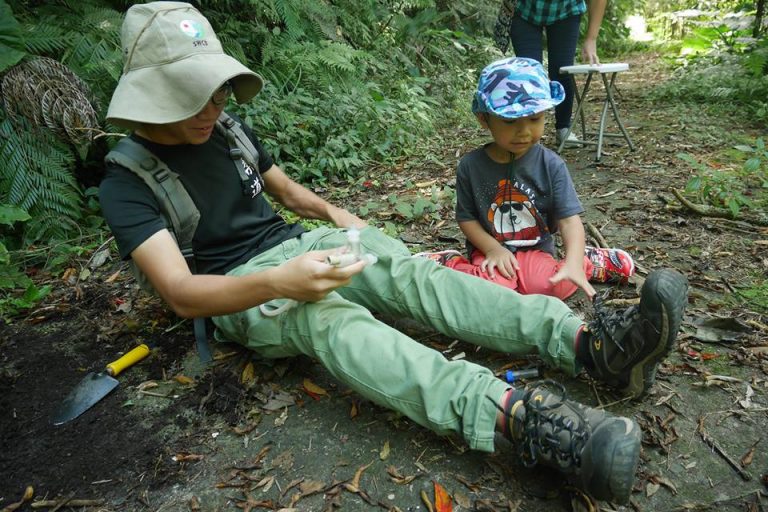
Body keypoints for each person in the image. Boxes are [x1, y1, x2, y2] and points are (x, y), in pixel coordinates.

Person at [99, 2, 689, 504]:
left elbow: (281, 190)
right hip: (242, 288)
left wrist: (334, 215)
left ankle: (591, 348)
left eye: (217, 90)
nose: (212, 107)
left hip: (301, 247)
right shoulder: (127, 182)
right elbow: (180, 294)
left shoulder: (228, 130)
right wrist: (282, 282)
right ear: (153, 96)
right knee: (327, 321)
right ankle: (517, 416)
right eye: (193, 96)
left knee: (410, 274)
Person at [415, 57, 634, 301]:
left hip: (535, 250)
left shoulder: (551, 165)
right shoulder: (471, 166)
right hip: (488, 250)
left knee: (549, 287)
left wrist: (572, 262)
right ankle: (451, 263)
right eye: (510, 121)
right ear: (484, 118)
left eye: (535, 119)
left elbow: (569, 221)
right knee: (491, 293)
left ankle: (587, 261)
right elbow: (467, 218)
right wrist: (492, 248)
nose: (524, 131)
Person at [493, 0, 607, 145]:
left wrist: (591, 39)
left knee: (562, 71)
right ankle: (529, 134)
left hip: (567, 11)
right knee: (529, 73)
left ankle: (563, 128)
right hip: (525, 10)